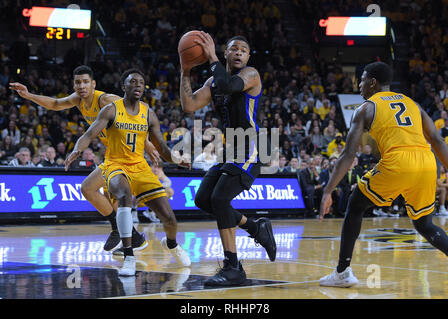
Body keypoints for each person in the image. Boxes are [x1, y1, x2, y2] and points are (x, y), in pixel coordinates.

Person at [319, 61, 448, 287]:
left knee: (356, 204)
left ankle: (342, 272)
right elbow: (437, 140)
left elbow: (348, 155)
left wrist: (328, 190)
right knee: (424, 223)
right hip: (427, 161)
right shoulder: (412, 103)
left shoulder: (366, 108)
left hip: (398, 161)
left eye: (361, 80)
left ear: (372, 82)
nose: (359, 85)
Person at [10, 66, 160, 252]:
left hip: (127, 156)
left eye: (85, 82)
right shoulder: (78, 100)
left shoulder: (106, 99)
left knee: (89, 188)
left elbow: (135, 116)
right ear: (74, 85)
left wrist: (149, 144)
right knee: (109, 199)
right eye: (78, 82)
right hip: (113, 155)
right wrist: (29, 96)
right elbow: (56, 104)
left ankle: (122, 233)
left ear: (93, 84)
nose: (81, 86)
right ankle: (132, 238)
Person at [65, 69, 191, 276]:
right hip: (114, 165)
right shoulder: (110, 110)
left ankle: (172, 244)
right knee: (124, 197)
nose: (138, 85)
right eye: (133, 82)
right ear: (123, 87)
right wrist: (77, 149)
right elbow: (89, 135)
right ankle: (129, 256)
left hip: (140, 167)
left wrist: (176, 159)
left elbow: (162, 148)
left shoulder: (148, 113)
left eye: (141, 82)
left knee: (169, 219)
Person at [180, 33, 277, 286]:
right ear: (226, 53)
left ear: (248, 57)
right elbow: (189, 105)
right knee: (203, 199)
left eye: (244, 50)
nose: (239, 53)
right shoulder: (214, 80)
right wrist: (185, 70)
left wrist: (210, 56)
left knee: (220, 199)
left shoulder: (250, 75)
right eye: (234, 48)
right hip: (232, 149)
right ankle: (256, 228)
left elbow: (230, 87)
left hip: (252, 146)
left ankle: (233, 267)